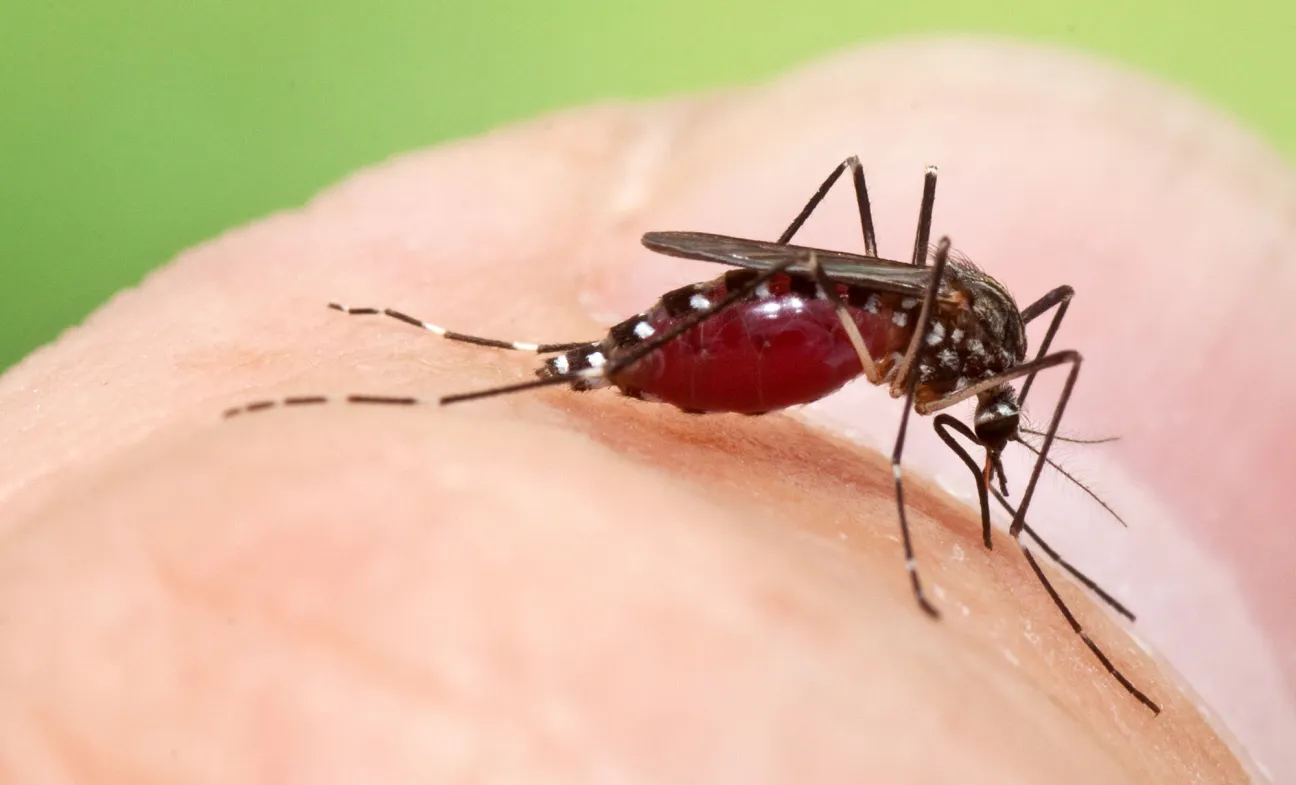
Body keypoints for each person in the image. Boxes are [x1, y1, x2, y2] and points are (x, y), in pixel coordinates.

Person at [0, 38, 1290, 783]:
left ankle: (559, 355)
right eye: (999, 439)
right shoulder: (960, 353)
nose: (991, 440)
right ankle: (610, 350)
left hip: (831, 322)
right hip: (818, 313)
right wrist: (913, 522)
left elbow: (1003, 357)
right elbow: (943, 343)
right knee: (867, 264)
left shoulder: (1000, 351)